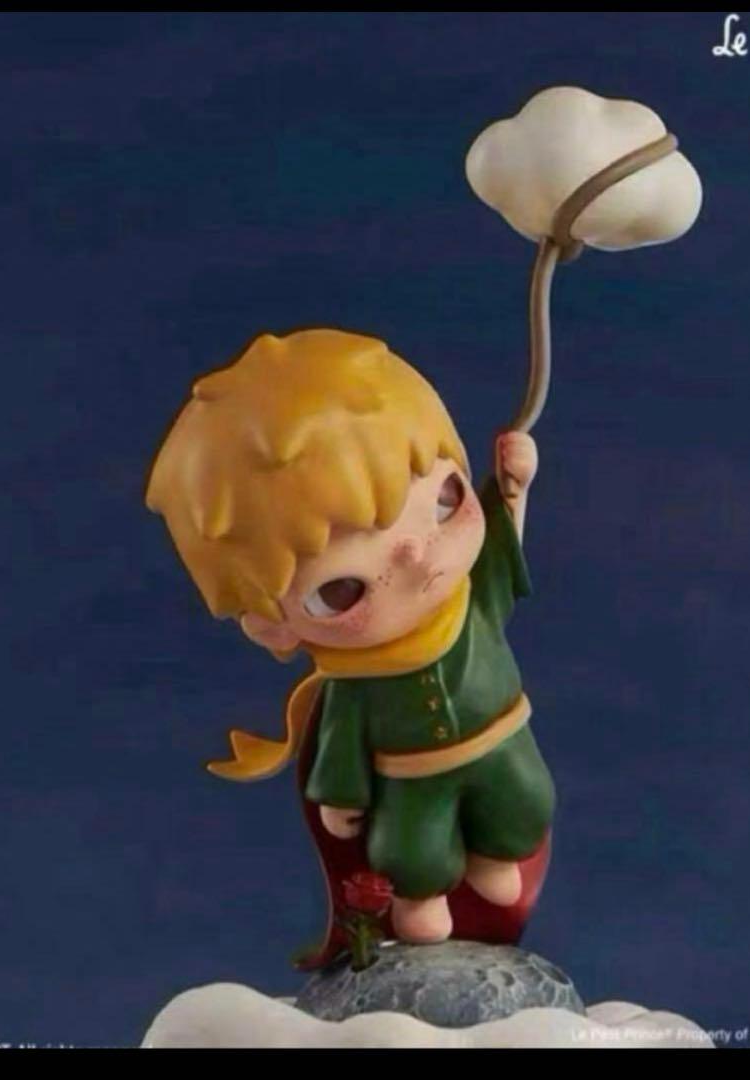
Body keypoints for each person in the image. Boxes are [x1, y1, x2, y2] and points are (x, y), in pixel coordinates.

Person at [146, 328, 555, 951]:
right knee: (411, 849)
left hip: (502, 744)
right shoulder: (356, 681)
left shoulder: (468, 605)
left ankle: (496, 859)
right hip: (411, 780)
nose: (418, 557)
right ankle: (422, 899)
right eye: (341, 589)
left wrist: (514, 490)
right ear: (271, 625)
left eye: (445, 501)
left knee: (526, 803)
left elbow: (501, 558)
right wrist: (341, 797)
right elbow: (342, 738)